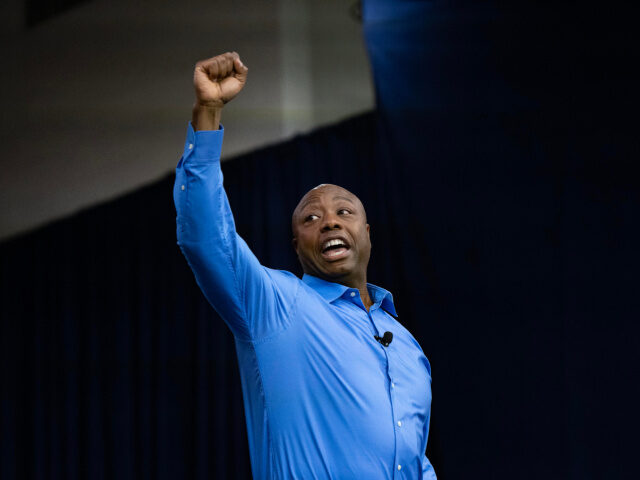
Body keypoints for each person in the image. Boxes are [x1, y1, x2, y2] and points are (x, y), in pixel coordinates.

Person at [174, 51, 437, 479]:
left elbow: (414, 461)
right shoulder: (278, 303)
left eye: (344, 212)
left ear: (368, 232)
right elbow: (206, 238)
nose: (329, 220)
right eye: (310, 219)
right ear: (297, 247)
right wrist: (208, 112)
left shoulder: (408, 347)